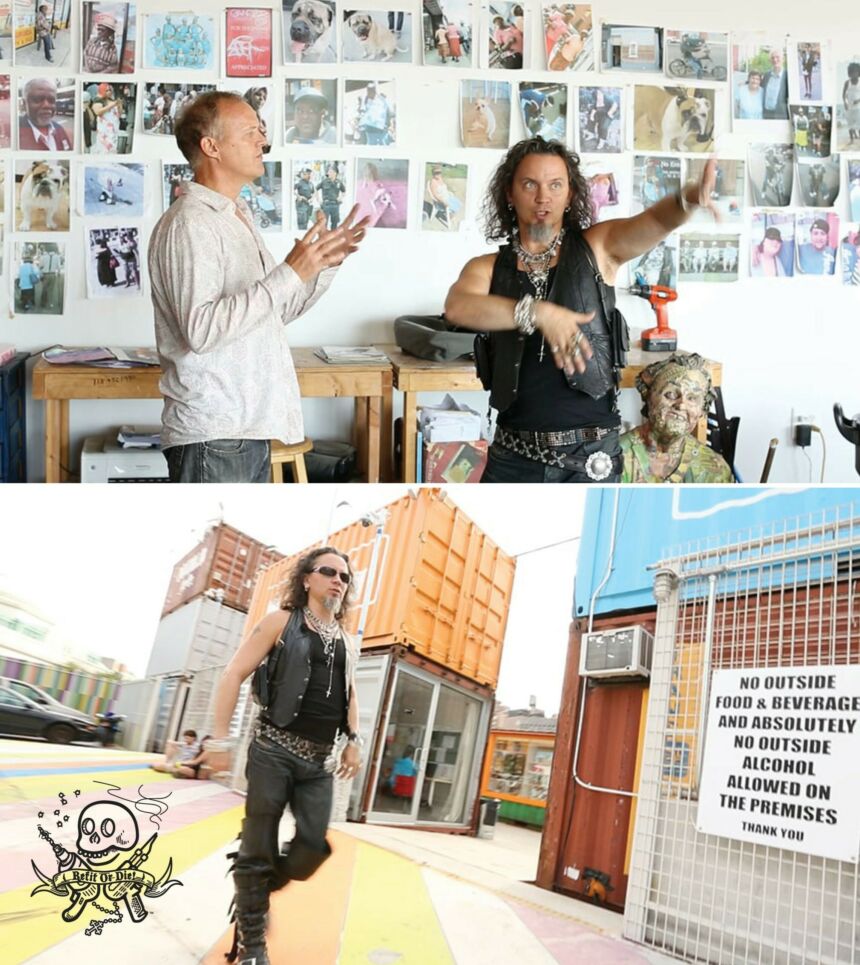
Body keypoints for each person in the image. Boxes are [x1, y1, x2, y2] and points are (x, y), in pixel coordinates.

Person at [444, 136, 718, 483]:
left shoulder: (599, 249)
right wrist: (538, 313)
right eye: (530, 184)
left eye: (555, 185)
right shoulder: (487, 267)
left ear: (570, 194)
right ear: (509, 194)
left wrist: (688, 198)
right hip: (512, 456)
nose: (543, 197)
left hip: (590, 459)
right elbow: (457, 307)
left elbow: (654, 221)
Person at [148, 91, 368, 483]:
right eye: (250, 131)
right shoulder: (191, 223)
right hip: (214, 435)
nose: (263, 141)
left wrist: (321, 266)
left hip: (245, 431)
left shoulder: (235, 217)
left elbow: (275, 312)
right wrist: (289, 271)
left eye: (261, 132)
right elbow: (202, 330)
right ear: (211, 146)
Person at [206, 547, 362, 965]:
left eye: (344, 577)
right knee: (258, 846)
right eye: (328, 572)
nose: (337, 581)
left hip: (319, 762)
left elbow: (349, 694)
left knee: (311, 847)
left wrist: (355, 740)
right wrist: (220, 740)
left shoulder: (347, 641)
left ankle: (251, 889)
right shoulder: (280, 622)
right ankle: (253, 946)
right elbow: (233, 674)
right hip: (272, 750)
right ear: (307, 579)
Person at [620, 353, 733, 483]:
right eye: (671, 394)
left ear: (702, 410)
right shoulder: (615, 458)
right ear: (649, 396)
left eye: (692, 398)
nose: (681, 405)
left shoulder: (714, 470)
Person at [18, 78, 73, 151]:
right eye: (38, 99)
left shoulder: (60, 129)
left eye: (51, 100)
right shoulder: (14, 132)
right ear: (24, 104)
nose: (46, 105)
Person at [91, 83, 121, 153]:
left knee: (112, 149)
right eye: (107, 90)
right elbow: (98, 112)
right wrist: (112, 105)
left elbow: (119, 114)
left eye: (110, 90)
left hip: (114, 131)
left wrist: (119, 105)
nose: (109, 92)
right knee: (103, 150)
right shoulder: (98, 100)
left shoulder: (113, 100)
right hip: (104, 131)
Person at [762, 48, 789, 120]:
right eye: (772, 58)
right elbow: (760, 87)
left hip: (781, 115)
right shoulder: (767, 75)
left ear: (783, 59)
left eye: (777, 57)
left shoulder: (788, 76)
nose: (775, 60)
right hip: (766, 114)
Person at [316, 164, 345, 229]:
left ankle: (332, 237)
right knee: (324, 223)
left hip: (335, 205)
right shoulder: (324, 181)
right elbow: (315, 189)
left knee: (335, 223)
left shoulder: (339, 182)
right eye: (329, 172)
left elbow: (344, 191)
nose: (329, 173)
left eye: (331, 172)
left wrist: (341, 197)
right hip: (326, 205)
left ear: (335, 173)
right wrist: (318, 199)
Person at [843, 63, 860, 145]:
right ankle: (851, 140)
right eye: (852, 72)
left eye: (856, 72)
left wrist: (858, 100)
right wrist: (845, 103)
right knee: (850, 125)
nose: (854, 74)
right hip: (849, 107)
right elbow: (843, 95)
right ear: (849, 73)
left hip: (858, 107)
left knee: (859, 124)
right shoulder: (847, 83)